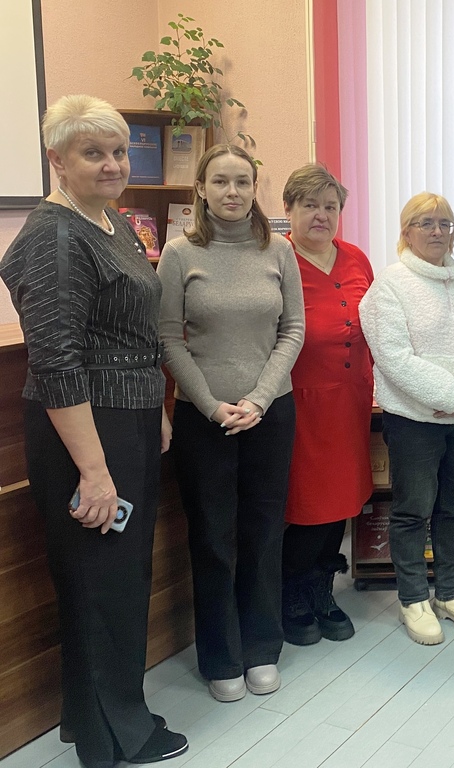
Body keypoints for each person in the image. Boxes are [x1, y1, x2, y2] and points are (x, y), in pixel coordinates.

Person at [0, 95, 187, 768]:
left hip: (125, 418)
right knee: (102, 584)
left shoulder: (111, 222)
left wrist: (155, 408)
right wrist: (96, 471)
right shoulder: (52, 239)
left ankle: (96, 721)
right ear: (57, 160)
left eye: (118, 152)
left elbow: (131, 333)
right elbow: (56, 365)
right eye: (93, 153)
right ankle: (117, 737)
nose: (112, 165)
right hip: (84, 432)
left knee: (118, 578)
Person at [157, 144, 305, 703]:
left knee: (264, 533)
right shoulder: (179, 253)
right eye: (220, 181)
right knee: (213, 537)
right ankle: (220, 655)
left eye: (242, 181)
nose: (232, 192)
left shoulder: (279, 251)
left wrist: (260, 399)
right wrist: (210, 403)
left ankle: (262, 647)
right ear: (201, 188)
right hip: (204, 418)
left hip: (270, 412)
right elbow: (168, 337)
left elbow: (293, 330)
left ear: (254, 188)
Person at [359, 192, 454, 645]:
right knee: (412, 511)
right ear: (406, 232)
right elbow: (392, 358)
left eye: (445, 223)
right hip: (414, 422)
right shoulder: (389, 286)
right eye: (426, 223)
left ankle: (451, 593)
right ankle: (413, 599)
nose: (437, 231)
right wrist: (449, 395)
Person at [279, 164, 374, 645]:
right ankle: (291, 594)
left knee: (341, 501)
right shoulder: (276, 258)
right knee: (303, 505)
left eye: (330, 206)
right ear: (289, 209)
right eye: (310, 205)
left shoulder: (356, 258)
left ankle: (323, 590)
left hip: (351, 402)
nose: (321, 215)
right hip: (298, 404)